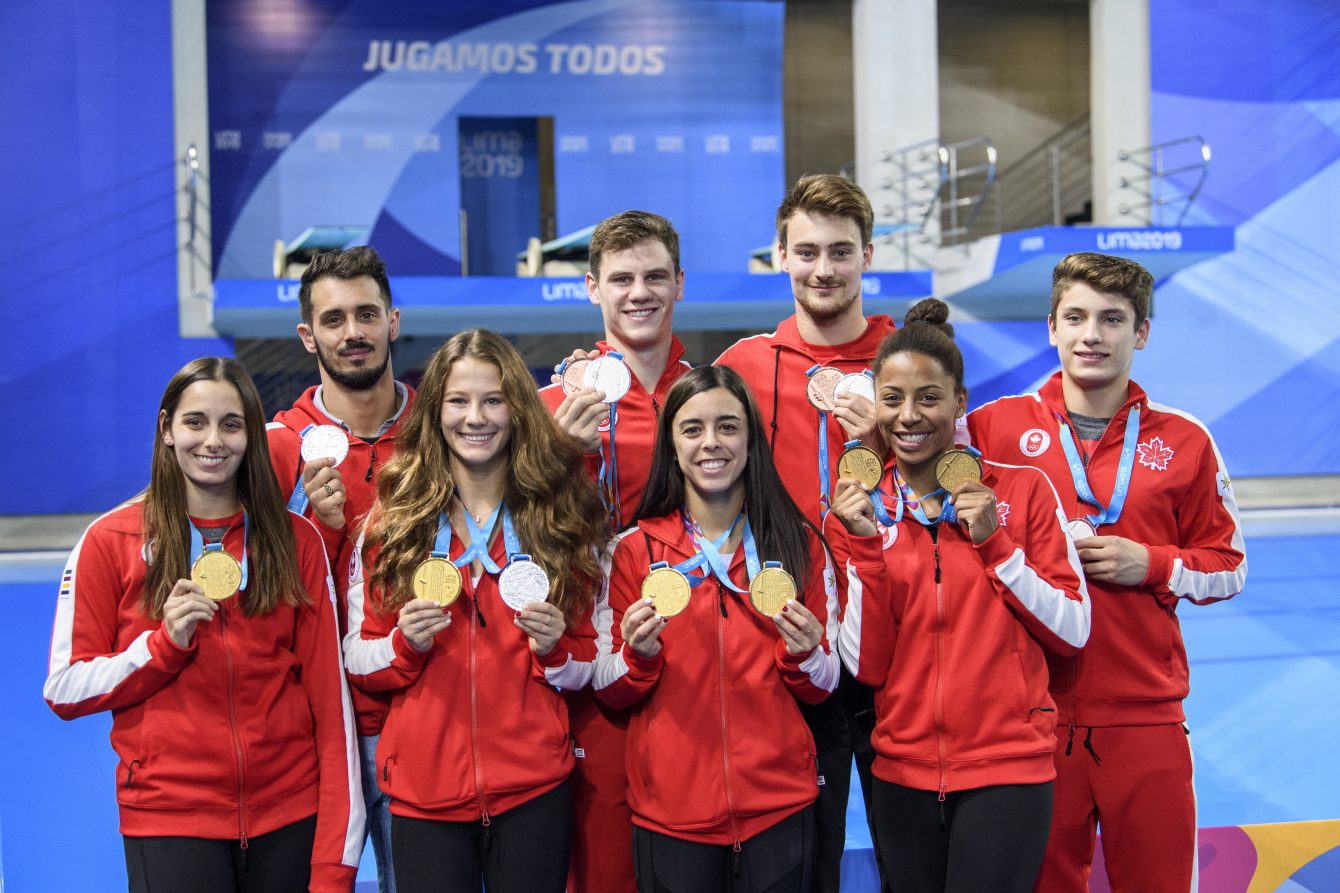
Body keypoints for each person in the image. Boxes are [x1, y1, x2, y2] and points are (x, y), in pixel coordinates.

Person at [964, 253, 1247, 893]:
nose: (1092, 335)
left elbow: (1229, 566)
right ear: (1051, 327)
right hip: (1029, 719)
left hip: (1145, 718)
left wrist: (1154, 563)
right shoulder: (991, 429)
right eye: (1076, 317)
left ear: (1140, 332)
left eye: (1112, 319)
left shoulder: (1186, 440)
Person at [44, 357, 363, 893]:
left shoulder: (296, 540)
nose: (212, 441)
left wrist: (336, 861)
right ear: (167, 429)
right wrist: (161, 647)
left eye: (230, 424)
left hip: (290, 816)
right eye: (195, 422)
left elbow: (331, 708)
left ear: (251, 434)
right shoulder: (110, 540)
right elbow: (64, 687)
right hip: (170, 819)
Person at [829, 299, 1090, 892]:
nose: (908, 416)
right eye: (892, 399)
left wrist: (997, 545)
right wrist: (865, 548)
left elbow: (1073, 629)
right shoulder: (856, 513)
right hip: (901, 771)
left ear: (959, 402)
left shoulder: (1022, 491)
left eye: (929, 397)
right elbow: (866, 666)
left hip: (1008, 769)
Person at [342, 328, 607, 893]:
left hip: (534, 790)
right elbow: (358, 659)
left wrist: (556, 649)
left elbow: (590, 662)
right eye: (458, 401)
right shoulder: (394, 524)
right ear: (435, 411)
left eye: (493, 400)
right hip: (424, 795)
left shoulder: (558, 519)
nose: (475, 417)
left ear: (517, 409)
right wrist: (403, 646)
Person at [595, 364, 841, 892]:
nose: (711, 442)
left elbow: (826, 684)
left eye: (728, 426)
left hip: (779, 808)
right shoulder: (632, 551)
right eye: (693, 429)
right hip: (671, 817)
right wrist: (637, 658)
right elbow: (607, 687)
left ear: (751, 440)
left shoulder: (797, 544)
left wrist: (803, 655)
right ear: (672, 446)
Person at [715, 173, 894, 891]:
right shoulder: (743, 365)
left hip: (894, 639)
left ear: (867, 256)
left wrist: (890, 439)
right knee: (803, 860)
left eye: (841, 251)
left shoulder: (908, 362)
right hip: (788, 636)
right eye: (808, 251)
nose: (824, 269)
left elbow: (955, 485)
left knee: (912, 855)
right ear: (781, 255)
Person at [539, 209, 693, 893]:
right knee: (604, 870)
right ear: (592, 288)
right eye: (622, 278)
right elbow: (517, 530)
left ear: (679, 283)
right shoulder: (550, 405)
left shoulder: (709, 399)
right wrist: (559, 456)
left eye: (655, 276)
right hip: (590, 673)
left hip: (694, 658)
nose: (640, 292)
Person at [266, 245, 413, 892]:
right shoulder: (274, 447)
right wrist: (315, 530)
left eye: (366, 314)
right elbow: (259, 593)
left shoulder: (446, 428)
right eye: (333, 319)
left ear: (392, 322)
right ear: (308, 335)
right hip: (313, 724)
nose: (352, 332)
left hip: (417, 711)